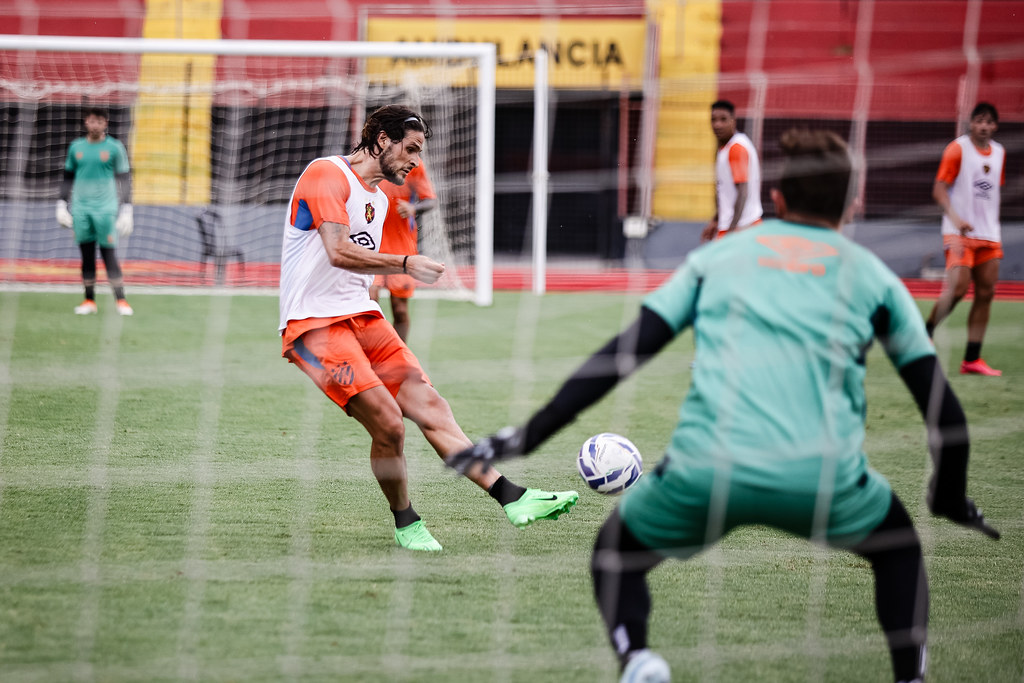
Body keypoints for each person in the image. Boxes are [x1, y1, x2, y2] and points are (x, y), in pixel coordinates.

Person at [448, 129, 999, 682]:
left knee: (616, 550)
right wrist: (947, 495)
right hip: (823, 474)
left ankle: (638, 659)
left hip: (708, 470)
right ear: (852, 205)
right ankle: (910, 677)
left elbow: (622, 355)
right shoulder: (874, 278)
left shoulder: (721, 258)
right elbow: (943, 411)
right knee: (899, 550)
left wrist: (528, 436)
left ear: (778, 200)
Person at [278, 105, 578, 552]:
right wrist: (404, 263)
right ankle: (407, 523)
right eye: (411, 149)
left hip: (362, 316)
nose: (416, 161)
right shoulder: (327, 174)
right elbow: (338, 251)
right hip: (313, 326)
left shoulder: (379, 200)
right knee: (390, 424)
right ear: (383, 140)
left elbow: (354, 270)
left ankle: (513, 497)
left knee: (432, 406)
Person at [924, 102, 1005, 376]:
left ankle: (972, 359)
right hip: (958, 233)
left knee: (986, 293)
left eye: (989, 122)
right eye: (979, 120)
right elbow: (938, 190)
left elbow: (991, 192)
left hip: (989, 235)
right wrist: (956, 219)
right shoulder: (957, 149)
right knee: (959, 288)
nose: (983, 126)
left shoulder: (1000, 153)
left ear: (995, 126)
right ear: (971, 123)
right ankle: (925, 333)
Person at [57, 106, 134, 316]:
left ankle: (121, 300)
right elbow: (68, 177)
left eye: (100, 121)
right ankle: (89, 300)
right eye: (92, 120)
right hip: (81, 208)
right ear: (86, 122)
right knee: (87, 255)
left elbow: (124, 179)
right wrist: (61, 204)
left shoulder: (114, 147)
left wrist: (127, 209)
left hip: (105, 209)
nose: (95, 124)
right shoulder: (76, 147)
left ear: (105, 124)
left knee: (109, 254)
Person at [369, 161, 437, 342]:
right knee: (370, 301)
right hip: (372, 245)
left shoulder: (414, 165)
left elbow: (430, 200)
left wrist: (413, 208)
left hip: (402, 246)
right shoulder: (370, 160)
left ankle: (399, 356)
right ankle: (372, 352)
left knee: (399, 309)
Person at [701, 99, 763, 242]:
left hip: (742, 227)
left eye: (723, 119)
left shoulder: (736, 148)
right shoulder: (725, 147)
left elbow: (743, 190)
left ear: (733, 121)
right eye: (713, 120)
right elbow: (725, 191)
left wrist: (731, 233)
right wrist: (716, 220)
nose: (717, 125)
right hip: (734, 226)